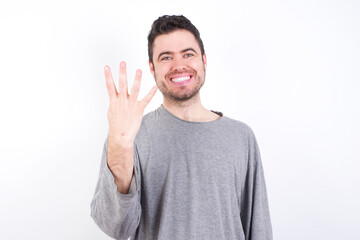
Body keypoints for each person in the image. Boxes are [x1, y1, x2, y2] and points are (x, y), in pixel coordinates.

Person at [91, 15, 273, 240]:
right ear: (152, 68)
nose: (179, 65)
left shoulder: (241, 137)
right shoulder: (129, 135)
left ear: (204, 60)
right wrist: (120, 146)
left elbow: (259, 228)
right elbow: (116, 228)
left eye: (188, 54)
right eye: (166, 57)